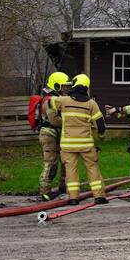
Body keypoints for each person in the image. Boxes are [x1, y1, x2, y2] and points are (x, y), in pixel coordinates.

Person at [48, 73, 107, 205]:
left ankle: (73, 198)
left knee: (71, 170)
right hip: (86, 144)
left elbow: (49, 102)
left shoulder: (63, 100)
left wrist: (56, 116)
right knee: (92, 168)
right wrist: (101, 137)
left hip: (68, 145)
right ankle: (99, 196)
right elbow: (101, 125)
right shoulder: (92, 104)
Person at [36, 71, 69, 201]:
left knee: (62, 161)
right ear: (56, 86)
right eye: (64, 86)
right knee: (50, 163)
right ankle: (45, 192)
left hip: (54, 134)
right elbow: (54, 120)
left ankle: (63, 187)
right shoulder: (50, 101)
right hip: (49, 134)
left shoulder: (54, 99)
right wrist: (70, 122)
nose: (67, 89)